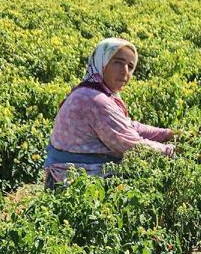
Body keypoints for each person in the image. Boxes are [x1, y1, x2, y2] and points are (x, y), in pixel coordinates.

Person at [43, 38, 175, 187]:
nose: (125, 71)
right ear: (102, 63)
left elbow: (128, 126)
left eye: (130, 66)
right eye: (118, 62)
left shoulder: (91, 91)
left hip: (68, 175)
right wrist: (171, 151)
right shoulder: (95, 100)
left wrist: (168, 133)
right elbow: (131, 146)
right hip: (73, 183)